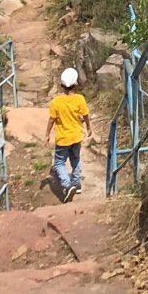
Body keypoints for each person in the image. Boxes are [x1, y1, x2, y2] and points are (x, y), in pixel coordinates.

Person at [43, 67, 93, 201]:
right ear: (76, 84)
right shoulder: (80, 99)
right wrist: (88, 128)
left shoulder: (56, 102)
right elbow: (86, 115)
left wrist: (47, 134)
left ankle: (67, 184)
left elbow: (51, 119)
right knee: (75, 159)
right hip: (76, 136)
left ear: (61, 85)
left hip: (63, 138)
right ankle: (76, 184)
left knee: (59, 163)